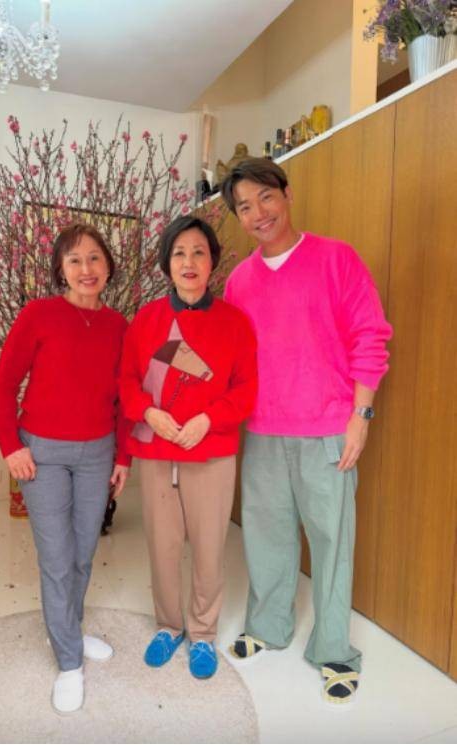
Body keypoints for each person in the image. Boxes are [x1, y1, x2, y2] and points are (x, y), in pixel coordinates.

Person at [220, 158, 392, 704]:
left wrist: (360, 417)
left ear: (287, 194)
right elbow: (228, 358)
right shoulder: (239, 282)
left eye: (265, 198)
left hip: (328, 431)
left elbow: (370, 337)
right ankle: (268, 626)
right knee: (266, 538)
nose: (258, 213)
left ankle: (335, 650)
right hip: (263, 432)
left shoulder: (337, 259)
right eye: (244, 207)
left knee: (332, 543)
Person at [0, 223, 129, 715]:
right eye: (74, 260)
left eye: (94, 258)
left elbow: (124, 398)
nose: (86, 269)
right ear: (60, 270)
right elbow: (4, 385)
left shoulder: (118, 326)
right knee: (57, 557)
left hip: (98, 453)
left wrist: (124, 457)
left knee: (83, 554)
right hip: (42, 454)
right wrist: (11, 446)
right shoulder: (39, 315)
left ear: (107, 265)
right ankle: (69, 662)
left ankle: (69, 628)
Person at [120, 215, 257, 679]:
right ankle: (168, 626)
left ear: (212, 261)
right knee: (162, 546)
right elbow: (126, 381)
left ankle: (202, 633)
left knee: (209, 549)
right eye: (179, 253)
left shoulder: (235, 323)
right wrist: (148, 412)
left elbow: (246, 388)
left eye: (199, 252)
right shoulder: (146, 320)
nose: (189, 261)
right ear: (167, 264)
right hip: (158, 454)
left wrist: (208, 420)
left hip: (211, 452)